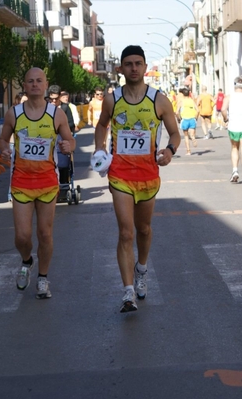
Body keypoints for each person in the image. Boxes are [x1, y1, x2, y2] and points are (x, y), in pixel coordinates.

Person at [93, 45, 181, 313]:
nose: (133, 68)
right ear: (120, 68)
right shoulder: (112, 99)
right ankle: (128, 292)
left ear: (145, 67)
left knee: (143, 230)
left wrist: (169, 151)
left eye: (138, 63)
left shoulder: (159, 100)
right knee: (126, 232)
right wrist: (100, 149)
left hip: (148, 176)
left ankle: (141, 268)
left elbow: (174, 134)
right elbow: (101, 125)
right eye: (128, 64)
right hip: (120, 175)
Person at [0, 67, 76, 299]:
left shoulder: (56, 114)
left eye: (38, 81)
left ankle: (42, 278)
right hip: (21, 182)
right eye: (30, 81)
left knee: (45, 234)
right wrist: (4, 149)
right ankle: (27, 260)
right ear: (25, 84)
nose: (34, 84)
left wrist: (68, 146)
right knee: (22, 237)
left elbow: (70, 139)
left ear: (45, 84)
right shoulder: (15, 113)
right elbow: (3, 139)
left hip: (47, 183)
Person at [221, 75, 242, 183]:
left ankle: (235, 171)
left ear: (235, 85)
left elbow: (223, 109)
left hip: (234, 126)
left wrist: (226, 119)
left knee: (235, 148)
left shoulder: (229, 97)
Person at [8, 93, 28, 201]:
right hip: (14, 144)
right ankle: (11, 194)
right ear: (18, 101)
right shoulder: (14, 112)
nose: (26, 103)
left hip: (27, 145)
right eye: (24, 101)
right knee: (14, 170)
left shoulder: (30, 111)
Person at [176, 87, 198, 155]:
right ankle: (193, 137)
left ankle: (188, 151)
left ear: (183, 94)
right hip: (192, 118)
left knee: (186, 136)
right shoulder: (192, 101)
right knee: (192, 132)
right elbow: (198, 110)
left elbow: (176, 112)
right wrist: (196, 118)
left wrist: (179, 119)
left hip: (184, 119)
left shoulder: (181, 102)